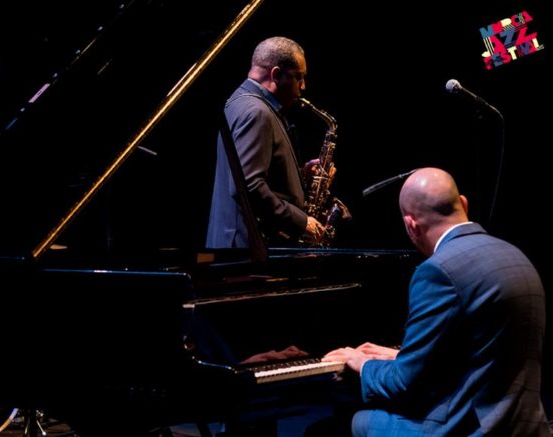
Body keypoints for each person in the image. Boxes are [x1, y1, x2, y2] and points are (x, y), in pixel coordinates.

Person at [323, 167, 550, 435]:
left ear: (411, 225)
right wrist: (402, 357)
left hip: (469, 429)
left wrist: (362, 363)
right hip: (525, 427)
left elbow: (404, 385)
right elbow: (481, 353)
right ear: (463, 203)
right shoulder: (515, 256)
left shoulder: (438, 271)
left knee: (349, 421)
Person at [206, 36, 324, 248]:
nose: (303, 86)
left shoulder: (238, 101)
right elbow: (249, 186)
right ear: (276, 75)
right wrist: (301, 221)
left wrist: (298, 174)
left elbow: (247, 173)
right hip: (249, 250)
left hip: (239, 245)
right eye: (299, 77)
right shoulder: (257, 112)